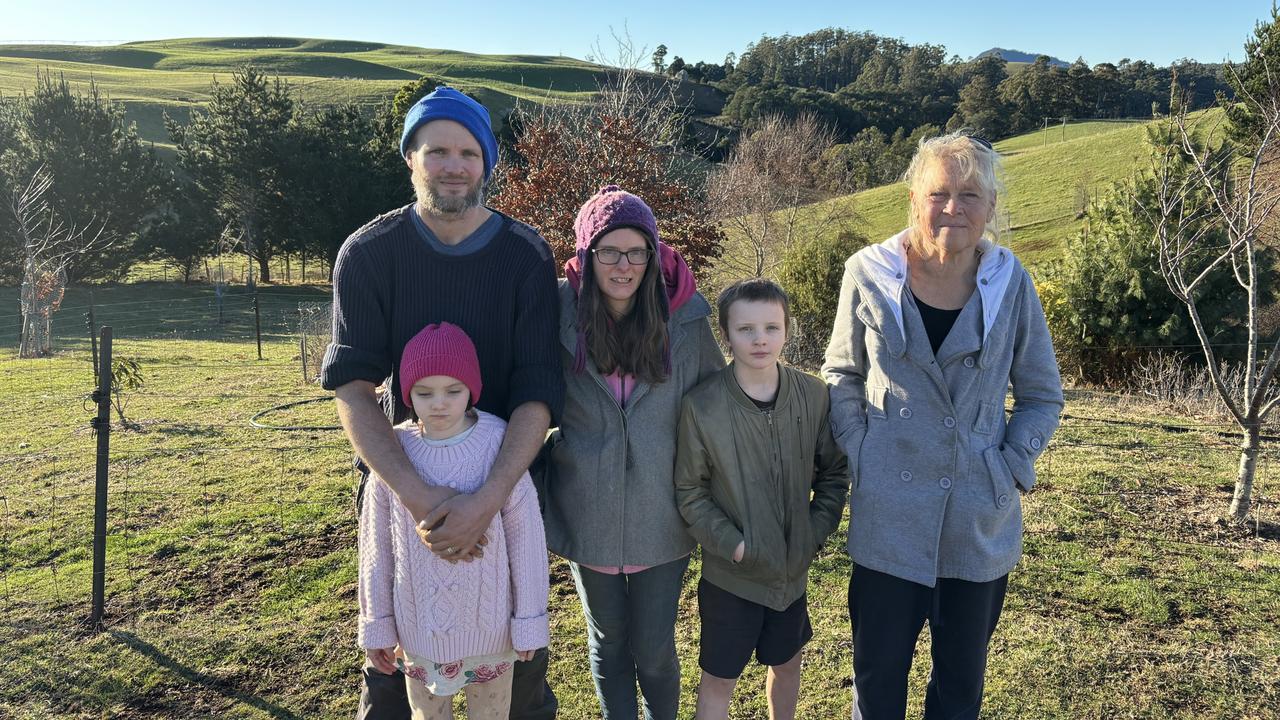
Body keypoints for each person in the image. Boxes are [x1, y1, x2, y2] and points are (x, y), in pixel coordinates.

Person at [321, 86, 562, 720]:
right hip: (404, 498)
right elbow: (352, 386)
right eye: (436, 151)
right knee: (397, 683)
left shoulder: (524, 255)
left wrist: (488, 499)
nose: (453, 166)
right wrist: (418, 496)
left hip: (505, 495)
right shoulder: (369, 254)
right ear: (410, 159)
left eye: (467, 152)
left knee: (515, 679)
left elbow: (540, 391)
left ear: (486, 162)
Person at [821, 130, 1064, 720]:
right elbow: (840, 373)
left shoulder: (1010, 284)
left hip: (978, 519)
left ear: (991, 208)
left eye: (970, 195)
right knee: (877, 684)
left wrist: (1009, 467)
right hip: (888, 515)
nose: (953, 208)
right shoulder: (869, 272)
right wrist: (863, 453)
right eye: (939, 193)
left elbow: (1041, 394)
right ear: (913, 198)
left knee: (959, 690)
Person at [542, 185, 724, 720]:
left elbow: (716, 404)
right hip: (587, 508)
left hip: (664, 513)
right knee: (608, 643)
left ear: (653, 253)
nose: (623, 265)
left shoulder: (685, 319)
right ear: (585, 256)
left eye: (636, 251)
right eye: (609, 251)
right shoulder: (557, 314)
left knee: (655, 649)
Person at [674, 279, 850, 720]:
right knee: (718, 679)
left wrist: (813, 530)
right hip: (731, 578)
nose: (759, 339)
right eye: (745, 329)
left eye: (771, 327)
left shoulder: (814, 395)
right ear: (726, 334)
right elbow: (690, 491)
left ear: (787, 329)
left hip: (791, 572)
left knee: (788, 664)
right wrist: (736, 546)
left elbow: (833, 473)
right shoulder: (703, 405)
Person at [359, 322, 549, 720]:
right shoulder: (392, 451)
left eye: (453, 391)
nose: (439, 404)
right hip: (418, 634)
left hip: (492, 634)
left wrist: (530, 619)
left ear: (472, 390)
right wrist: (377, 625)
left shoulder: (499, 442)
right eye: (424, 393)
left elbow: (525, 537)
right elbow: (376, 546)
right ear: (407, 392)